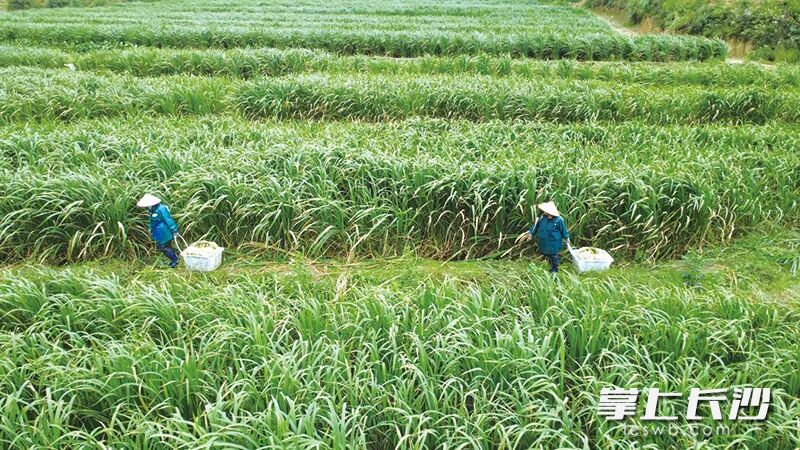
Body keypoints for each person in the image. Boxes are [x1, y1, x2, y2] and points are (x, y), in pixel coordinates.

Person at [515, 201, 570, 274]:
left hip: (554, 241)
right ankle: (551, 266)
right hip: (544, 240)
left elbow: (563, 230)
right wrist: (531, 233)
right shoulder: (541, 218)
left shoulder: (559, 220)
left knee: (553, 255)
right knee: (547, 254)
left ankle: (555, 269)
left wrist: (567, 238)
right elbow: (535, 227)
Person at [137, 194, 181, 268]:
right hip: (158, 231)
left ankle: (175, 260)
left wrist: (174, 230)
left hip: (164, 230)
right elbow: (151, 221)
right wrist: (150, 228)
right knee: (166, 246)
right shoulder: (152, 210)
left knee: (163, 246)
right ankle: (173, 258)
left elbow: (168, 219)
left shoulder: (161, 208)